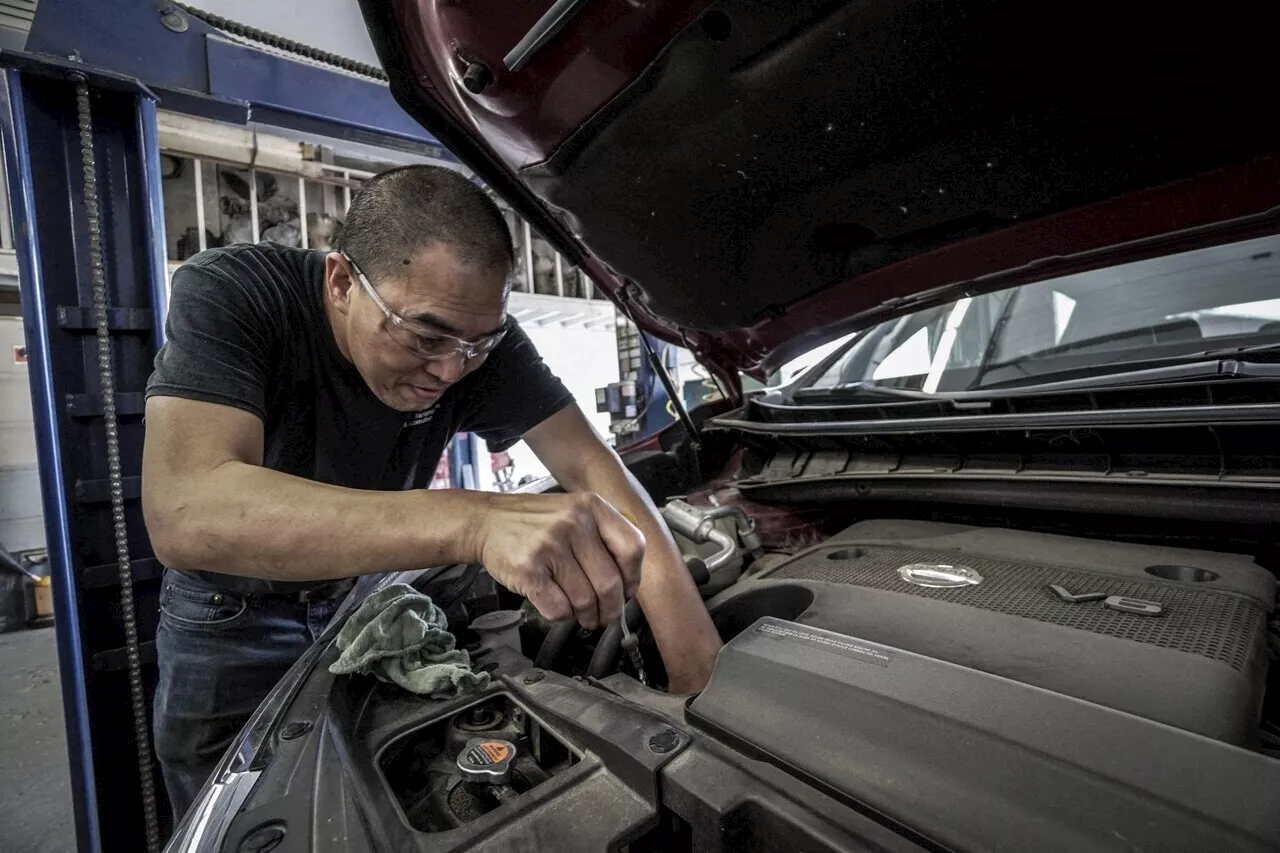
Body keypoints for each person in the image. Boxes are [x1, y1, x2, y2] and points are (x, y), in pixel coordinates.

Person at [141, 165, 722, 821]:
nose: (450, 369)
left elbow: (593, 467)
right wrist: (474, 522)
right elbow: (186, 510)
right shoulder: (237, 293)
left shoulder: (475, 341)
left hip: (364, 600)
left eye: (478, 343)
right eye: (425, 336)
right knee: (238, 816)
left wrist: (697, 672)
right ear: (340, 283)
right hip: (231, 617)